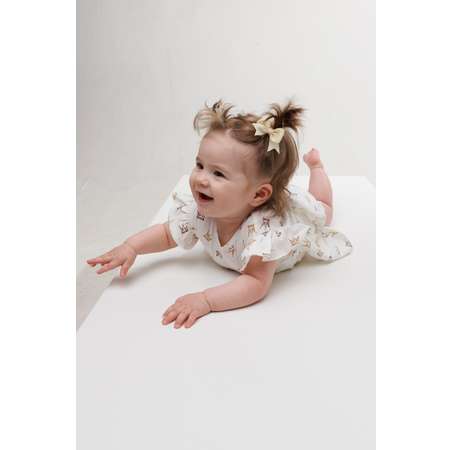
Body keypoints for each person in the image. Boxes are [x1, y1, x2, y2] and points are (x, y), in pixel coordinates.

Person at [87, 99, 353, 329]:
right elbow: (168, 234)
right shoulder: (204, 212)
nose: (201, 179)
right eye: (200, 165)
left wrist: (206, 300)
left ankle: (317, 168)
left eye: (218, 174)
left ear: (258, 195)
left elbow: (255, 282)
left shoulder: (265, 234)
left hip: (292, 220)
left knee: (323, 209)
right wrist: (132, 247)